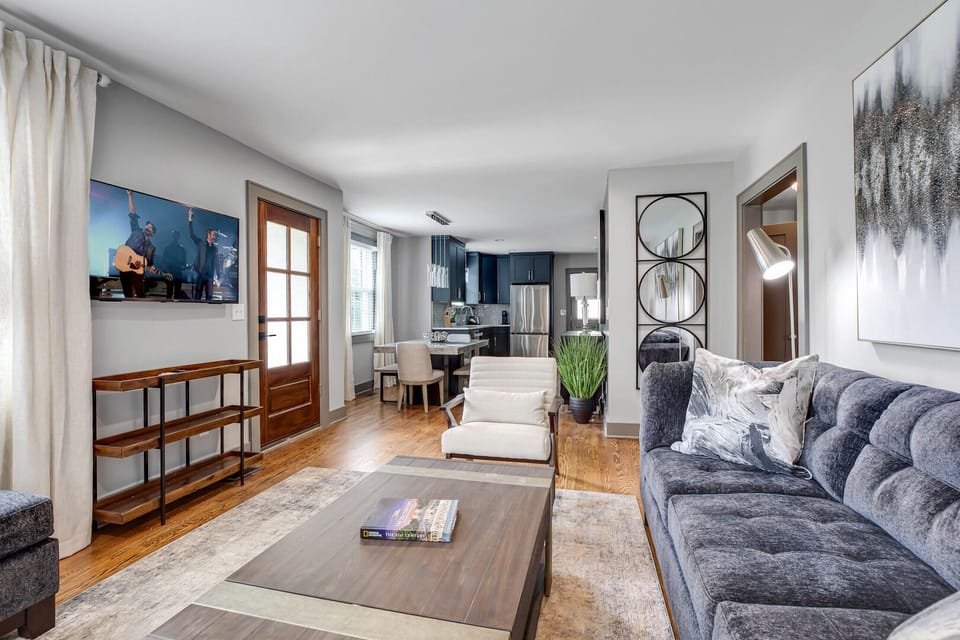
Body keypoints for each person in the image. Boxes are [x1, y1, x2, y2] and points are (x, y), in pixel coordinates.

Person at [120, 190, 157, 298]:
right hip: (125, 266)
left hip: (137, 272)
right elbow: (133, 214)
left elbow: (149, 264)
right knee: (127, 295)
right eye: (147, 225)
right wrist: (130, 195)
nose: (148, 227)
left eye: (150, 227)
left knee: (140, 295)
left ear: (152, 233)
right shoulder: (136, 231)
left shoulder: (151, 248)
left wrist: (151, 268)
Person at [188, 208, 219, 300]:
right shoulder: (201, 243)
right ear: (208, 235)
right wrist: (190, 219)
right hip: (200, 274)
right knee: (197, 297)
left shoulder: (214, 249)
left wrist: (219, 277)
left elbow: (216, 263)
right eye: (213, 235)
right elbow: (192, 235)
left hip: (210, 277)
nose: (214, 236)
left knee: (209, 298)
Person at [160, 229, 188, 299]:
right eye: (175, 236)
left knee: (173, 293)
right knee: (172, 293)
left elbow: (184, 263)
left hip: (175, 273)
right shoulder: (178, 249)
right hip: (172, 272)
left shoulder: (180, 249)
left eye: (176, 236)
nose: (176, 237)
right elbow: (164, 261)